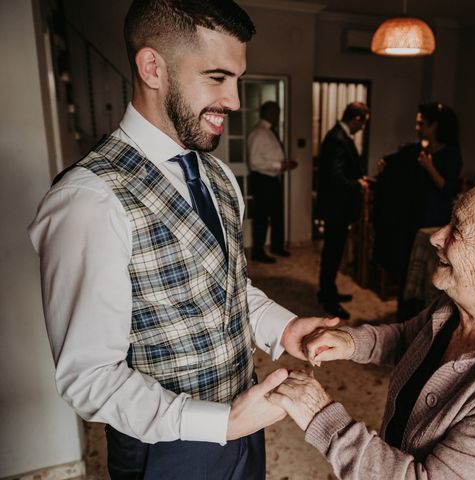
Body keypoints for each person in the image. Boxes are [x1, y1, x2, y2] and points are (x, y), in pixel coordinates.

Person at [27, 1, 338, 478]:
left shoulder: (218, 175)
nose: (234, 101)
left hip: (244, 424)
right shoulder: (89, 199)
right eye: (216, 78)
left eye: (237, 79)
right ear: (153, 67)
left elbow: (225, 287)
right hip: (165, 451)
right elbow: (88, 378)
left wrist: (284, 329)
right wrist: (221, 422)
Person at [270, 172, 475, 479]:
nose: (436, 237)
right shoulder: (469, 303)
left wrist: (319, 415)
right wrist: (353, 342)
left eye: (457, 230)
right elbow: (414, 337)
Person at [374, 102, 462, 320]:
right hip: (413, 216)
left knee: (430, 272)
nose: (418, 127)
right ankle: (405, 316)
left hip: (435, 218)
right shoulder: (422, 149)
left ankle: (426, 319)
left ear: (435, 126)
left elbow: (448, 188)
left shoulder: (451, 153)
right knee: (408, 266)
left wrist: (428, 166)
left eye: (421, 123)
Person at [316, 102, 370, 320]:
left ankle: (327, 291)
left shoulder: (339, 135)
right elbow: (335, 177)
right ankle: (329, 300)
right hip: (335, 208)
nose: (362, 128)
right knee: (332, 253)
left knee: (333, 251)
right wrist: (358, 184)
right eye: (363, 123)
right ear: (356, 119)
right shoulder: (337, 138)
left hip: (336, 208)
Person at [247, 101, 297, 263]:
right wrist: (279, 165)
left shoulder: (269, 131)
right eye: (276, 112)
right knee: (262, 216)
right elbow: (254, 161)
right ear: (268, 113)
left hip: (272, 179)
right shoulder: (259, 133)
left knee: (277, 215)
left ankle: (277, 246)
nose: (278, 115)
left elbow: (268, 156)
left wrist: (284, 165)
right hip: (262, 180)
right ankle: (258, 251)